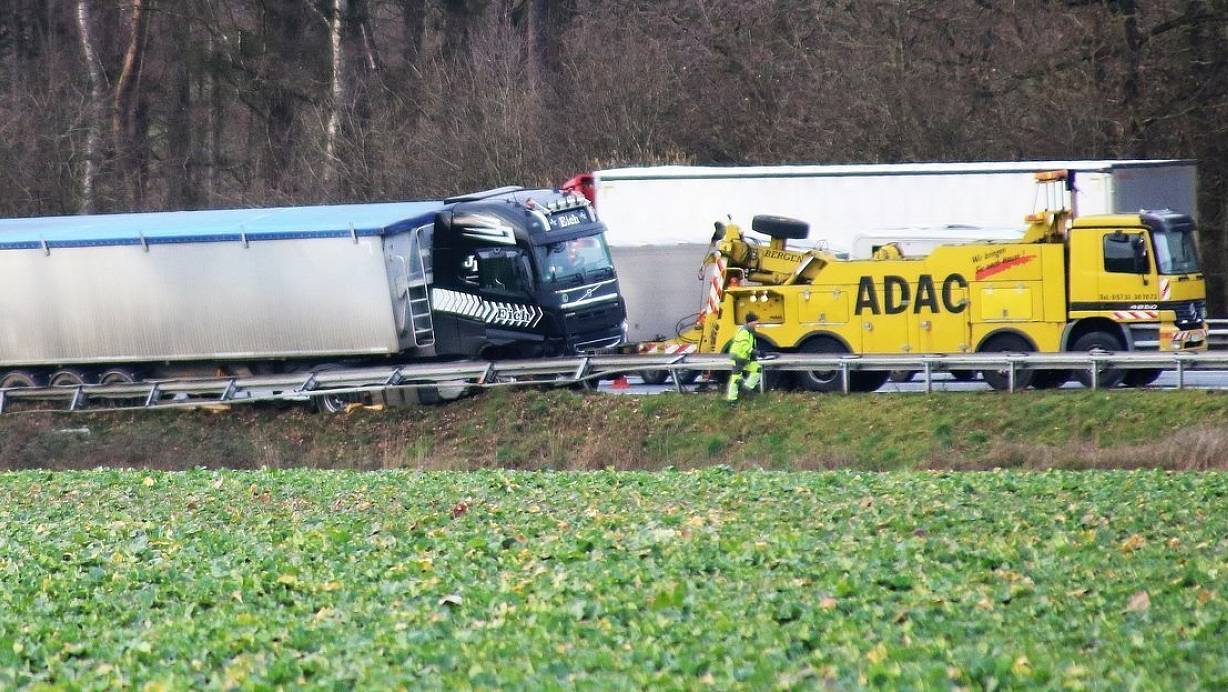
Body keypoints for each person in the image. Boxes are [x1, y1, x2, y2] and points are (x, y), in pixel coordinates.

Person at [725, 312, 763, 403]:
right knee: (735, 378)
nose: (756, 324)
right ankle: (732, 399)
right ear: (750, 322)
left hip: (745, 358)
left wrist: (755, 355)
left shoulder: (750, 331)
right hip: (738, 358)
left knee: (757, 369)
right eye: (755, 322)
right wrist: (757, 353)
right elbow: (745, 347)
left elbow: (751, 346)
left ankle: (746, 389)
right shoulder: (744, 332)